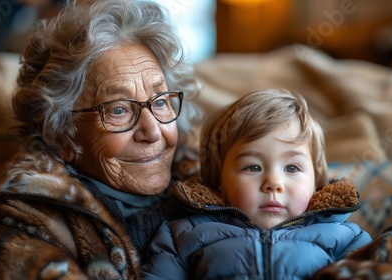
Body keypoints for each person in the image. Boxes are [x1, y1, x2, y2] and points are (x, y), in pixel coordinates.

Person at [0, 0, 203, 279]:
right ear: (60, 135)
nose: (154, 132)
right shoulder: (26, 224)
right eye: (119, 110)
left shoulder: (216, 184)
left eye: (160, 101)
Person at [142, 89, 372, 279]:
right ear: (218, 182)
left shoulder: (346, 238)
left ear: (316, 181)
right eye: (253, 167)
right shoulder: (183, 236)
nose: (273, 183)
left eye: (292, 168)